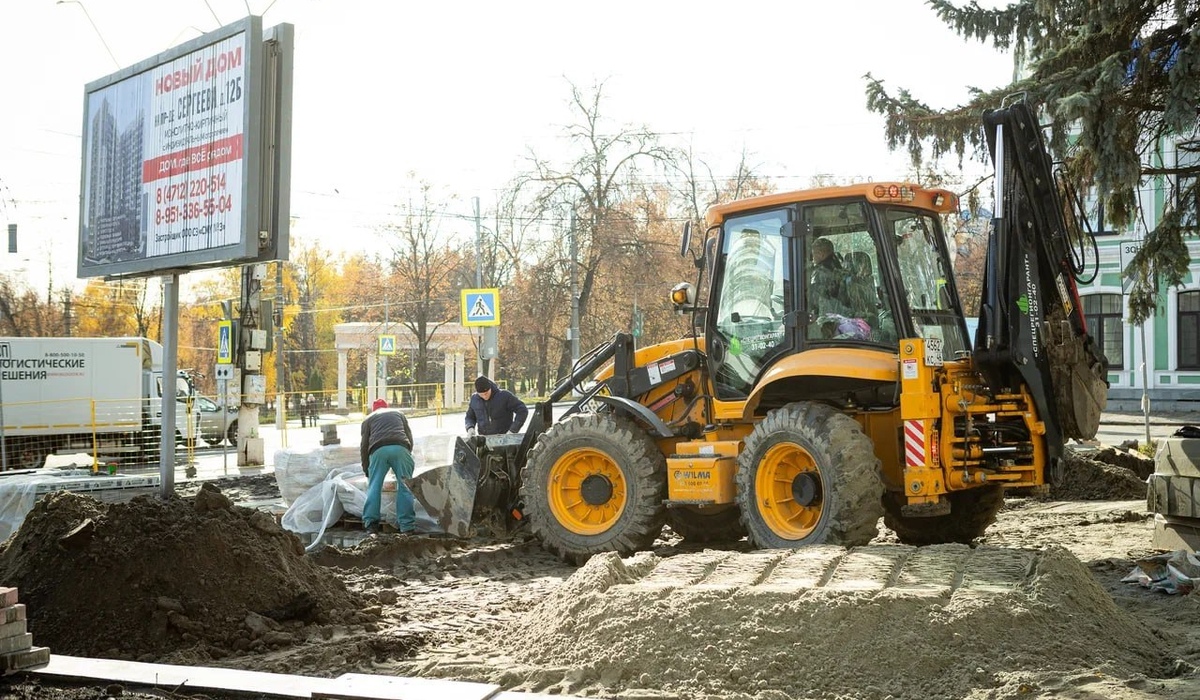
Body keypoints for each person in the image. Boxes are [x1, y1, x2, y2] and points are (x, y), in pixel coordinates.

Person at [360, 397, 416, 535]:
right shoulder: (398, 413)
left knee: (374, 486)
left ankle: (371, 526)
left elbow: (364, 447)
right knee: (405, 486)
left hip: (378, 450)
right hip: (401, 447)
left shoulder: (368, 419)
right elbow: (409, 437)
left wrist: (367, 470)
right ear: (387, 406)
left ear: (374, 410)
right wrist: (405, 455)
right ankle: (407, 526)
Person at [809, 237, 849, 317]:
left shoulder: (819, 272)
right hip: (842, 314)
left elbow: (814, 301)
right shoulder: (839, 268)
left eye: (814, 254)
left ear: (821, 254)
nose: (812, 258)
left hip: (827, 317)